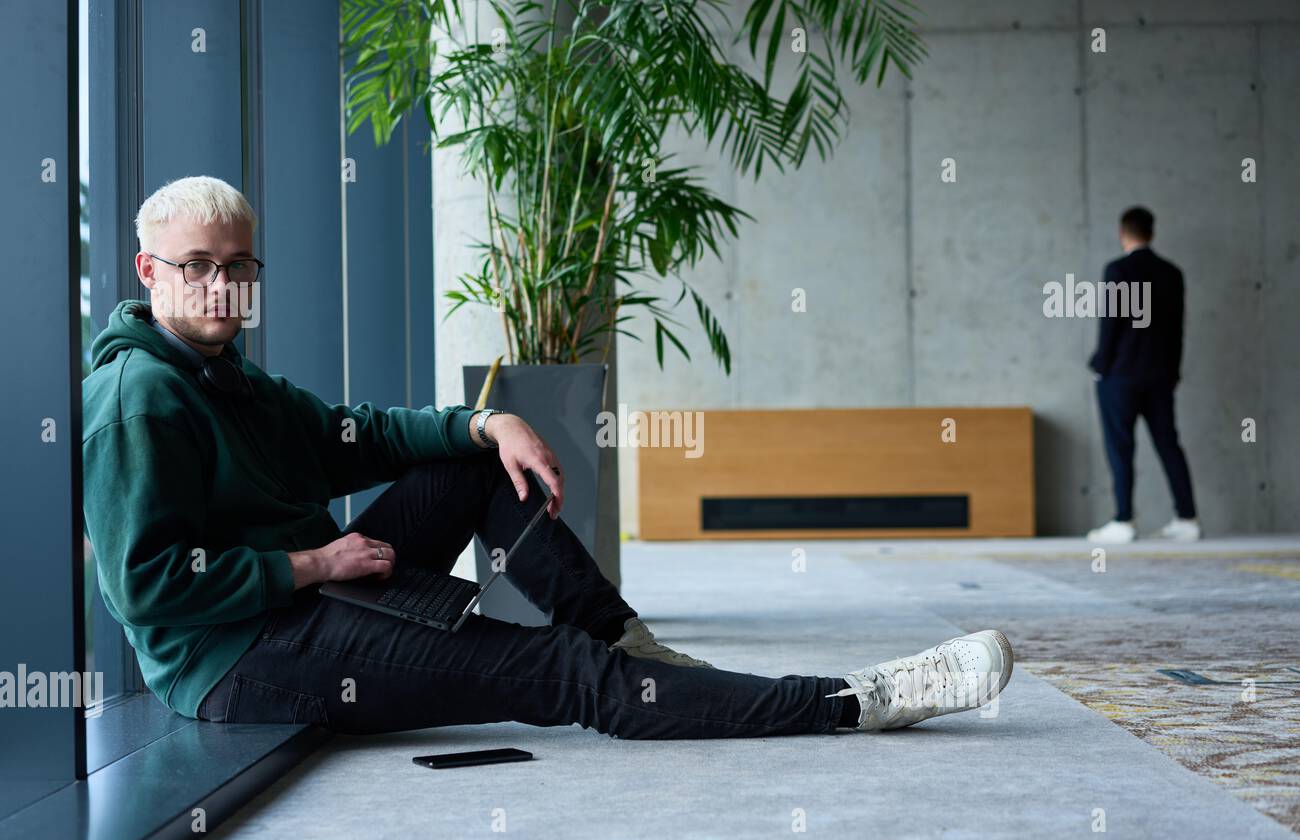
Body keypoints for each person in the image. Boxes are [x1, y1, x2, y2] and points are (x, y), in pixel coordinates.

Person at [82, 175, 1013, 739]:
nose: (220, 285)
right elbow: (148, 586)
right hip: (240, 659)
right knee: (563, 675)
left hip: (312, 594)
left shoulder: (228, 376)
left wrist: (488, 426)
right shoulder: (141, 398)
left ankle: (632, 647)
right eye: (195, 265)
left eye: (237, 265)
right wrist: (310, 563)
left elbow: (354, 433)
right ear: (147, 271)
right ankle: (850, 702)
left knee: (480, 466)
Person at [1087, 206, 1200, 544]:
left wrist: (1100, 364)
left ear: (1123, 233)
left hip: (1121, 374)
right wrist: (1174, 371)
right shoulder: (1171, 273)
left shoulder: (1118, 269)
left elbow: (1112, 322)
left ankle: (1124, 520)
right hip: (1161, 374)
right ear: (1152, 232)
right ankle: (1187, 518)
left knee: (1120, 446)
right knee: (1169, 444)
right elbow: (1178, 329)